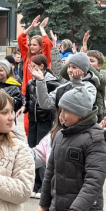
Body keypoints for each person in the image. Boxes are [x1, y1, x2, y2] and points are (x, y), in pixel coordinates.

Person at [25, 55, 59, 197]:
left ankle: (44, 186)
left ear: (43, 66)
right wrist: (24, 107)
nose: (32, 68)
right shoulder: (30, 82)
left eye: (35, 65)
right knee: (32, 149)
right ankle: (35, 184)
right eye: (31, 65)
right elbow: (28, 100)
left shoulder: (51, 82)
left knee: (43, 151)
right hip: (33, 120)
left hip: (45, 120)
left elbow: (52, 102)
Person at [18, 16, 53, 134]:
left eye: (34, 45)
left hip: (40, 93)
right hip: (26, 93)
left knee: (40, 124)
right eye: (31, 44)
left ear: (40, 47)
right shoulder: (26, 56)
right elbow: (21, 38)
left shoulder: (44, 58)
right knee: (27, 125)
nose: (31, 46)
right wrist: (31, 27)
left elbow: (47, 43)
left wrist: (42, 28)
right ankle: (30, 145)